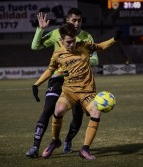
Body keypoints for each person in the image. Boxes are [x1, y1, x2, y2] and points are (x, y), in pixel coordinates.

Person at [38, 23, 121, 160]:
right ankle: (55, 141)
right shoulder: (57, 54)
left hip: (87, 92)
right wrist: (37, 84)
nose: (71, 44)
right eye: (68, 42)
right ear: (61, 41)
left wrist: (114, 39)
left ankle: (85, 149)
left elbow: (100, 47)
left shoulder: (85, 45)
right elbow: (50, 70)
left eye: (73, 41)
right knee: (58, 110)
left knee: (96, 111)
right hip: (69, 91)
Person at [26, 8, 99, 158]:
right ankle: (35, 146)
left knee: (77, 116)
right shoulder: (56, 33)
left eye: (79, 20)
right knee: (49, 109)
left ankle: (68, 140)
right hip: (58, 78)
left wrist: (78, 62)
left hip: (78, 81)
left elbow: (95, 59)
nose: (77, 23)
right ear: (67, 21)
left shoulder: (87, 36)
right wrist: (40, 29)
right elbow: (35, 46)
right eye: (74, 20)